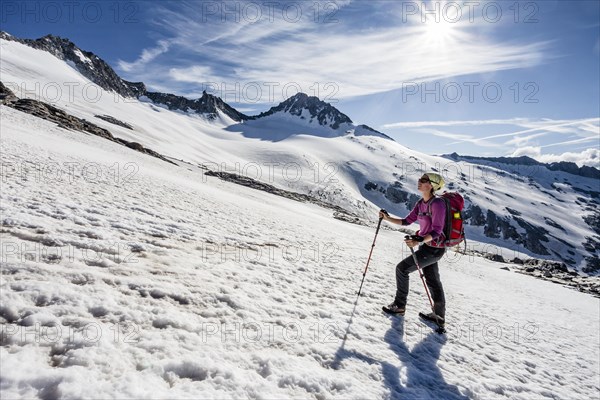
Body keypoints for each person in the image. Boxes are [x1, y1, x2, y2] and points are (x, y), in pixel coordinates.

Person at [380, 172, 447, 326]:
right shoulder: (420, 203)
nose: (419, 181)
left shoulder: (437, 204)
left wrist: (419, 240)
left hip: (434, 249)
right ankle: (439, 316)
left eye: (423, 180)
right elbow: (406, 221)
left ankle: (399, 305)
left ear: (431, 186)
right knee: (432, 280)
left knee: (402, 269)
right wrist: (386, 217)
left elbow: (437, 231)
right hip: (427, 246)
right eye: (420, 179)